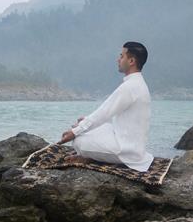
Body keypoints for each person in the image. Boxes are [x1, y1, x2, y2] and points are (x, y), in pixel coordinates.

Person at [58, 42, 154, 172]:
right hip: (132, 144)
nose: (118, 59)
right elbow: (106, 114)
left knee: (78, 141)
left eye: (121, 56)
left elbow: (104, 113)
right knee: (84, 126)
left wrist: (74, 133)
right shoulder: (138, 83)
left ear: (131, 61)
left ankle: (93, 157)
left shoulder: (130, 87)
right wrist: (84, 124)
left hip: (126, 150)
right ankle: (94, 153)